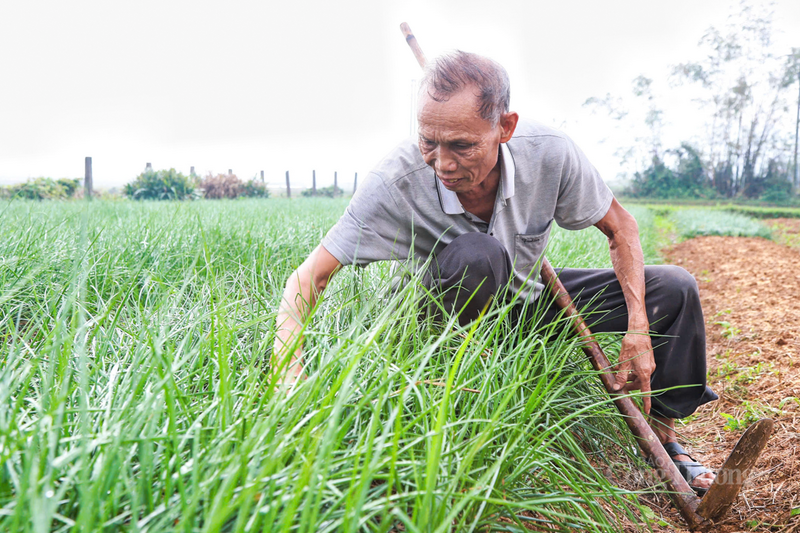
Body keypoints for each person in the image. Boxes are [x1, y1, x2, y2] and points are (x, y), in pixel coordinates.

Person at [272, 51, 718, 494]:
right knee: (478, 255)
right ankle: (457, 405)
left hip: (522, 307)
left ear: (505, 127)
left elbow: (621, 227)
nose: (443, 164)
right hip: (436, 325)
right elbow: (307, 280)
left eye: (462, 146)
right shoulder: (395, 182)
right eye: (428, 142)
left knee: (673, 288)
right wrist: (288, 377)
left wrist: (638, 327)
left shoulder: (549, 154)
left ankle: (664, 438)